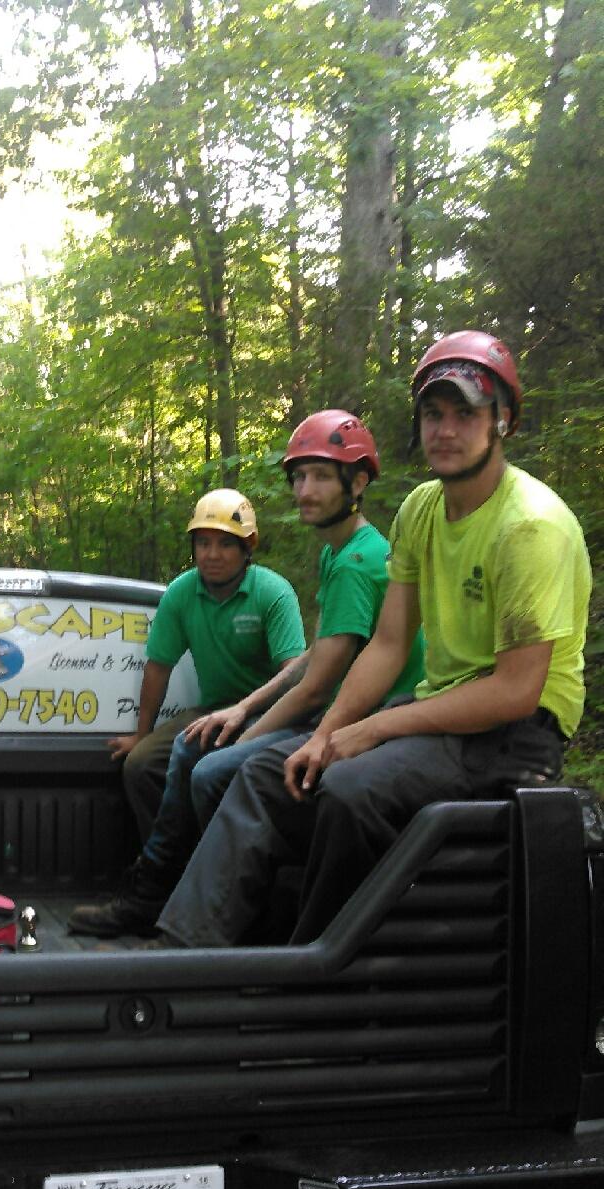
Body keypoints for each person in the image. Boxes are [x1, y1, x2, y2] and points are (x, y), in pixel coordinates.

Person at [154, 330, 591, 949]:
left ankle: (317, 973)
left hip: (516, 735)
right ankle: (190, 952)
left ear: (504, 421)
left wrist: (375, 729)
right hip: (441, 714)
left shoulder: (529, 527)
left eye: (466, 413)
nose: (445, 429)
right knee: (265, 772)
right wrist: (330, 731)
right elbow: (386, 646)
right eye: (433, 414)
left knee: (349, 790)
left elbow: (517, 691)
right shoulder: (420, 510)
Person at [69, 410, 425, 938]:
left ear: (359, 482)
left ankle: (229, 915)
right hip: (339, 711)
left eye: (322, 476)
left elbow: (316, 685)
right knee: (191, 751)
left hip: (366, 721)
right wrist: (237, 710)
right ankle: (161, 893)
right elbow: (317, 658)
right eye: (299, 476)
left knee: (213, 770)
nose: (306, 489)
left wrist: (247, 736)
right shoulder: (343, 553)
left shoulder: (352, 564)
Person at [109, 487, 307, 844]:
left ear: (249, 546)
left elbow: (293, 673)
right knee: (141, 765)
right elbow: (158, 667)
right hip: (211, 711)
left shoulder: (273, 592)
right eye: (203, 543)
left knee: (216, 769)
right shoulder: (182, 593)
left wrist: (249, 715)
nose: (212, 554)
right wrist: (142, 734)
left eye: (225, 544)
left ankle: (222, 859)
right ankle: (169, 864)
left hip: (268, 714)